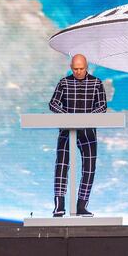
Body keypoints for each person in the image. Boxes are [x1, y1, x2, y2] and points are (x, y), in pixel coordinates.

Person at [49, 54, 107, 217]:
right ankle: (59, 205)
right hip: (67, 130)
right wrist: (68, 116)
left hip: (88, 132)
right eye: (75, 69)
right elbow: (53, 104)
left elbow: (102, 106)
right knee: (61, 165)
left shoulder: (96, 83)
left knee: (89, 168)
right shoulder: (64, 83)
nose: (79, 72)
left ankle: (81, 205)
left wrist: (86, 118)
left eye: (81, 69)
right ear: (71, 67)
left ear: (86, 67)